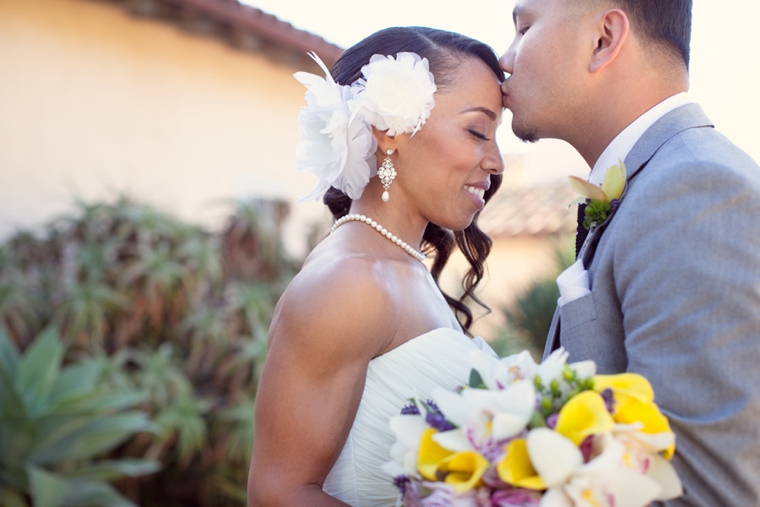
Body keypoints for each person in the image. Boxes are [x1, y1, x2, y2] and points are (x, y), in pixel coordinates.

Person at [500, 0, 760, 505]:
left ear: (603, 39)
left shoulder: (694, 189)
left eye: (524, 27)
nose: (505, 58)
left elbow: (706, 490)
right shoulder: (654, 185)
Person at [247, 27, 506, 506]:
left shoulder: (406, 269)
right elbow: (277, 494)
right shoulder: (351, 282)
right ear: (390, 133)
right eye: (477, 131)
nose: (496, 160)